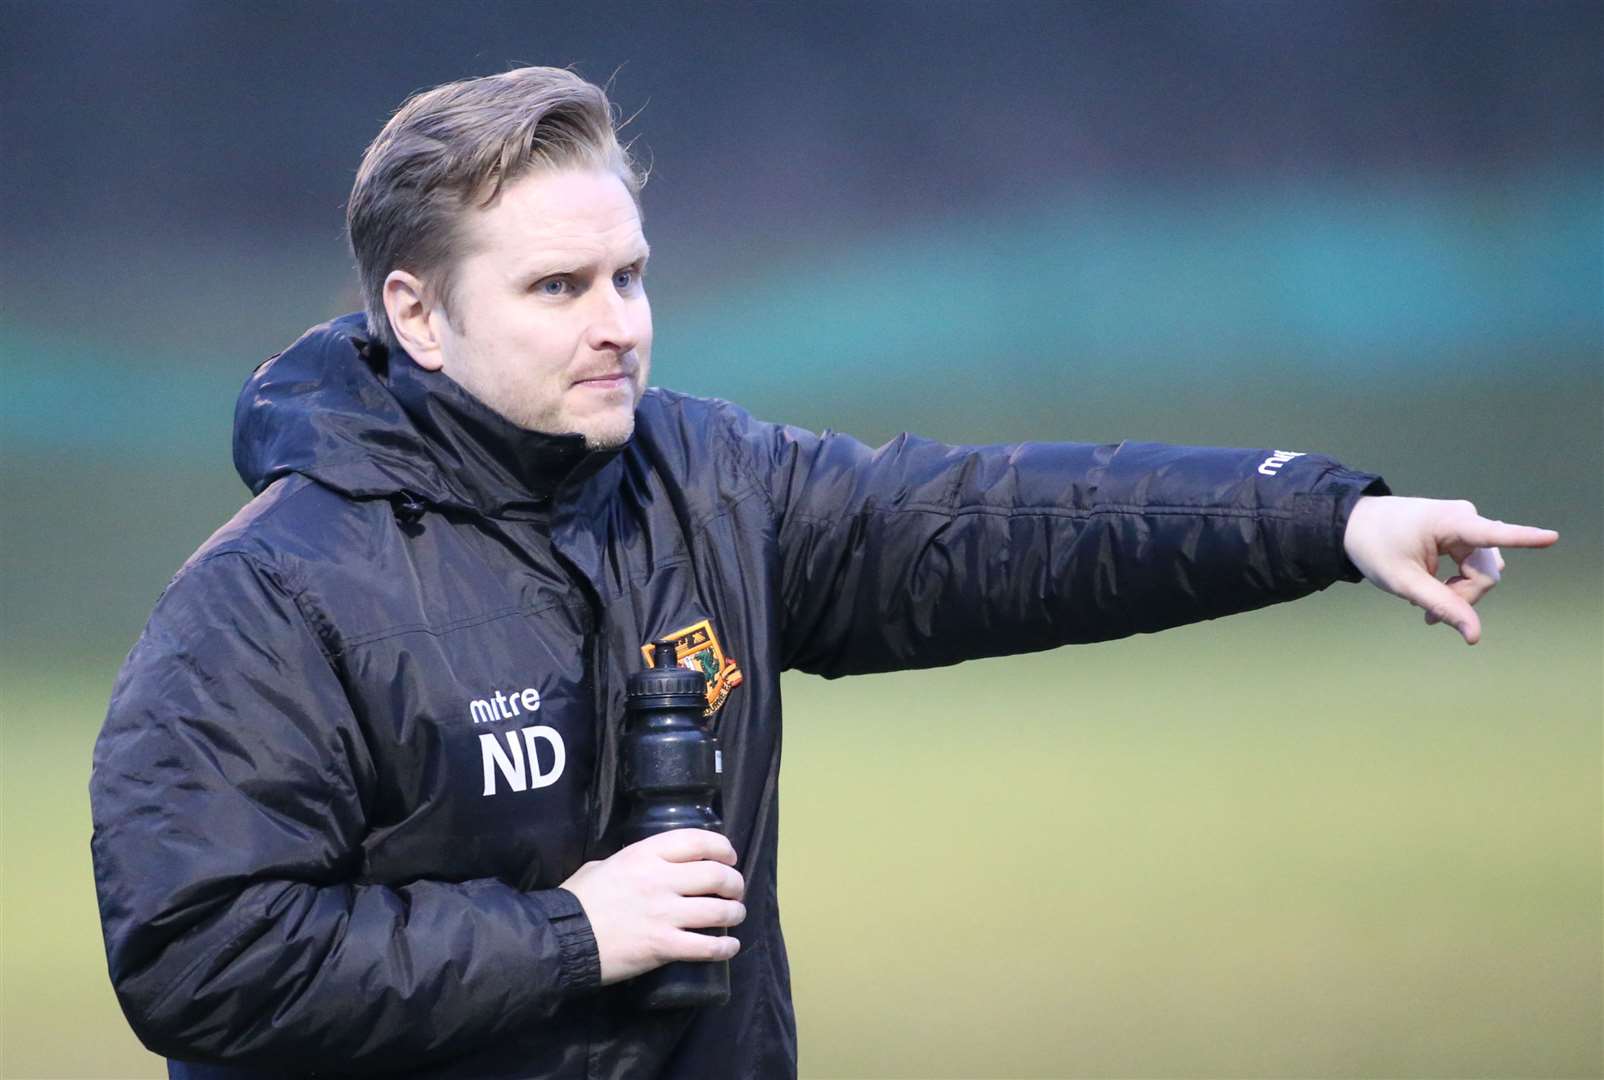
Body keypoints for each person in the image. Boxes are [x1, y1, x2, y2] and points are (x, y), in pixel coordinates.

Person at [88, 66, 1557, 1079]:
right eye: (557, 288)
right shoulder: (269, 598)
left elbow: (1000, 522)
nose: (620, 323)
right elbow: (203, 954)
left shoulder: (715, 482)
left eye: (631, 275)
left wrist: (1323, 520)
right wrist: (571, 935)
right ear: (417, 313)